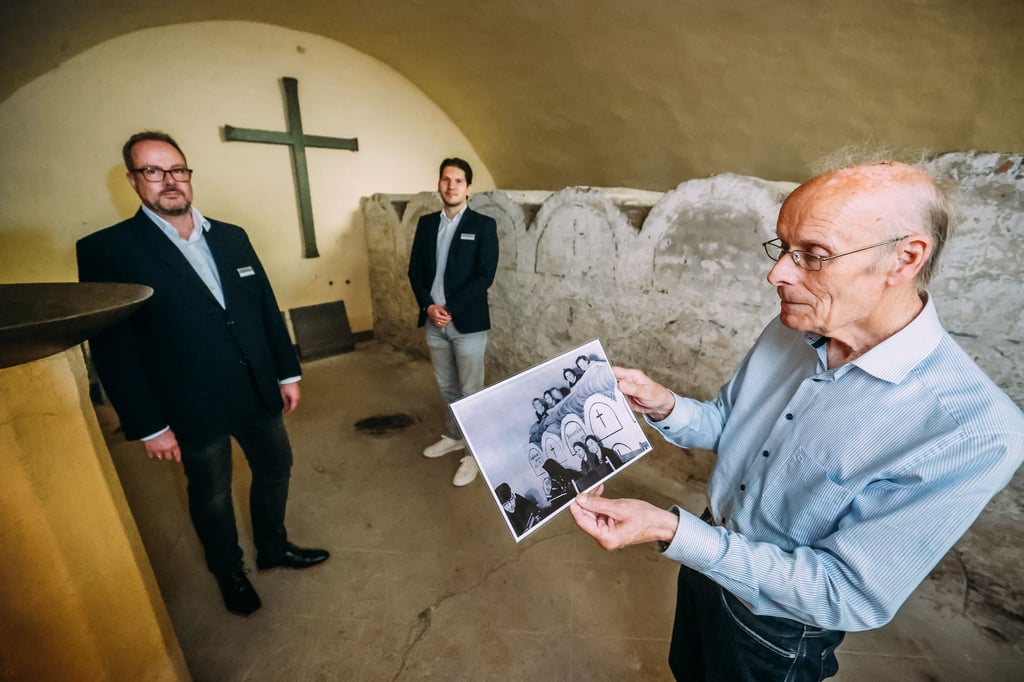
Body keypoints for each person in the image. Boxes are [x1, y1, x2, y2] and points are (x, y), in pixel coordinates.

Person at [569, 161, 1024, 681]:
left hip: (775, 626)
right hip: (703, 550)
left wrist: (670, 529)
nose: (778, 273)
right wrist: (663, 405)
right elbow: (730, 425)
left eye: (813, 255)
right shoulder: (796, 324)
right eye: (782, 247)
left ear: (905, 257)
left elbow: (845, 592)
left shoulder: (972, 431)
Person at [77, 131, 329, 617]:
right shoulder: (110, 250)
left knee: (276, 467)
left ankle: (274, 547)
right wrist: (148, 424)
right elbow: (114, 350)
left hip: (255, 387)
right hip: (189, 402)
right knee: (212, 492)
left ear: (189, 175)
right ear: (133, 181)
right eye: (152, 171)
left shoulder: (231, 236)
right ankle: (229, 573)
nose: (168, 181)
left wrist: (286, 371)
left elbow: (263, 308)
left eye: (177, 169)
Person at [408, 158, 499, 486]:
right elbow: (415, 271)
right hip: (434, 322)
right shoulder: (428, 224)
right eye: (446, 179)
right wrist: (429, 307)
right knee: (447, 386)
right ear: (439, 184)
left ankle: (475, 454)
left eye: (458, 181)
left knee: (471, 390)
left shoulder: (483, 225)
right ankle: (454, 435)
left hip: (467, 325)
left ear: (468, 188)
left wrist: (449, 308)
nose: (451, 186)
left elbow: (483, 276)